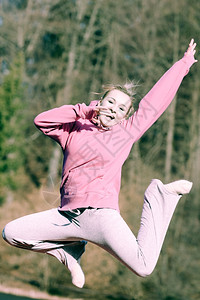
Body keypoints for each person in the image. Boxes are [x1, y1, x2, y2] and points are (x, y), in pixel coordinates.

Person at [2, 39, 197, 289]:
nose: (115, 109)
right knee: (12, 233)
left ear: (125, 116)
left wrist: (182, 65)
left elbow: (154, 104)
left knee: (144, 266)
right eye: (111, 102)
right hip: (66, 215)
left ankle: (158, 194)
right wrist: (82, 112)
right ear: (100, 102)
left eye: (122, 108)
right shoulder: (74, 128)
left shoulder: (126, 131)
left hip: (100, 216)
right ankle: (69, 251)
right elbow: (42, 121)